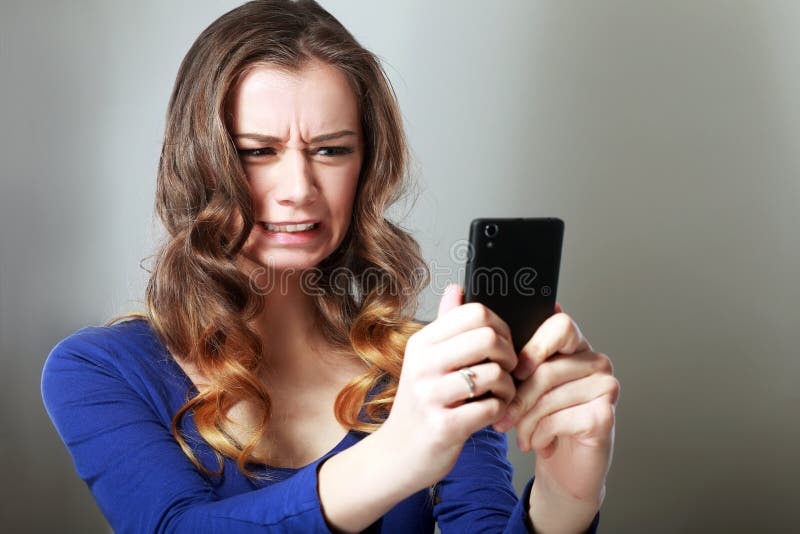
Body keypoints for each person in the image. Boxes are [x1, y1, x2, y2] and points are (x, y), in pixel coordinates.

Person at [41, 1, 619, 532]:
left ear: (366, 166)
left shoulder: (426, 369)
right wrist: (400, 452)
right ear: (199, 164)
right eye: (257, 152)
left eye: (331, 150)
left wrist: (567, 496)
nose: (298, 188)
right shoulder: (100, 371)